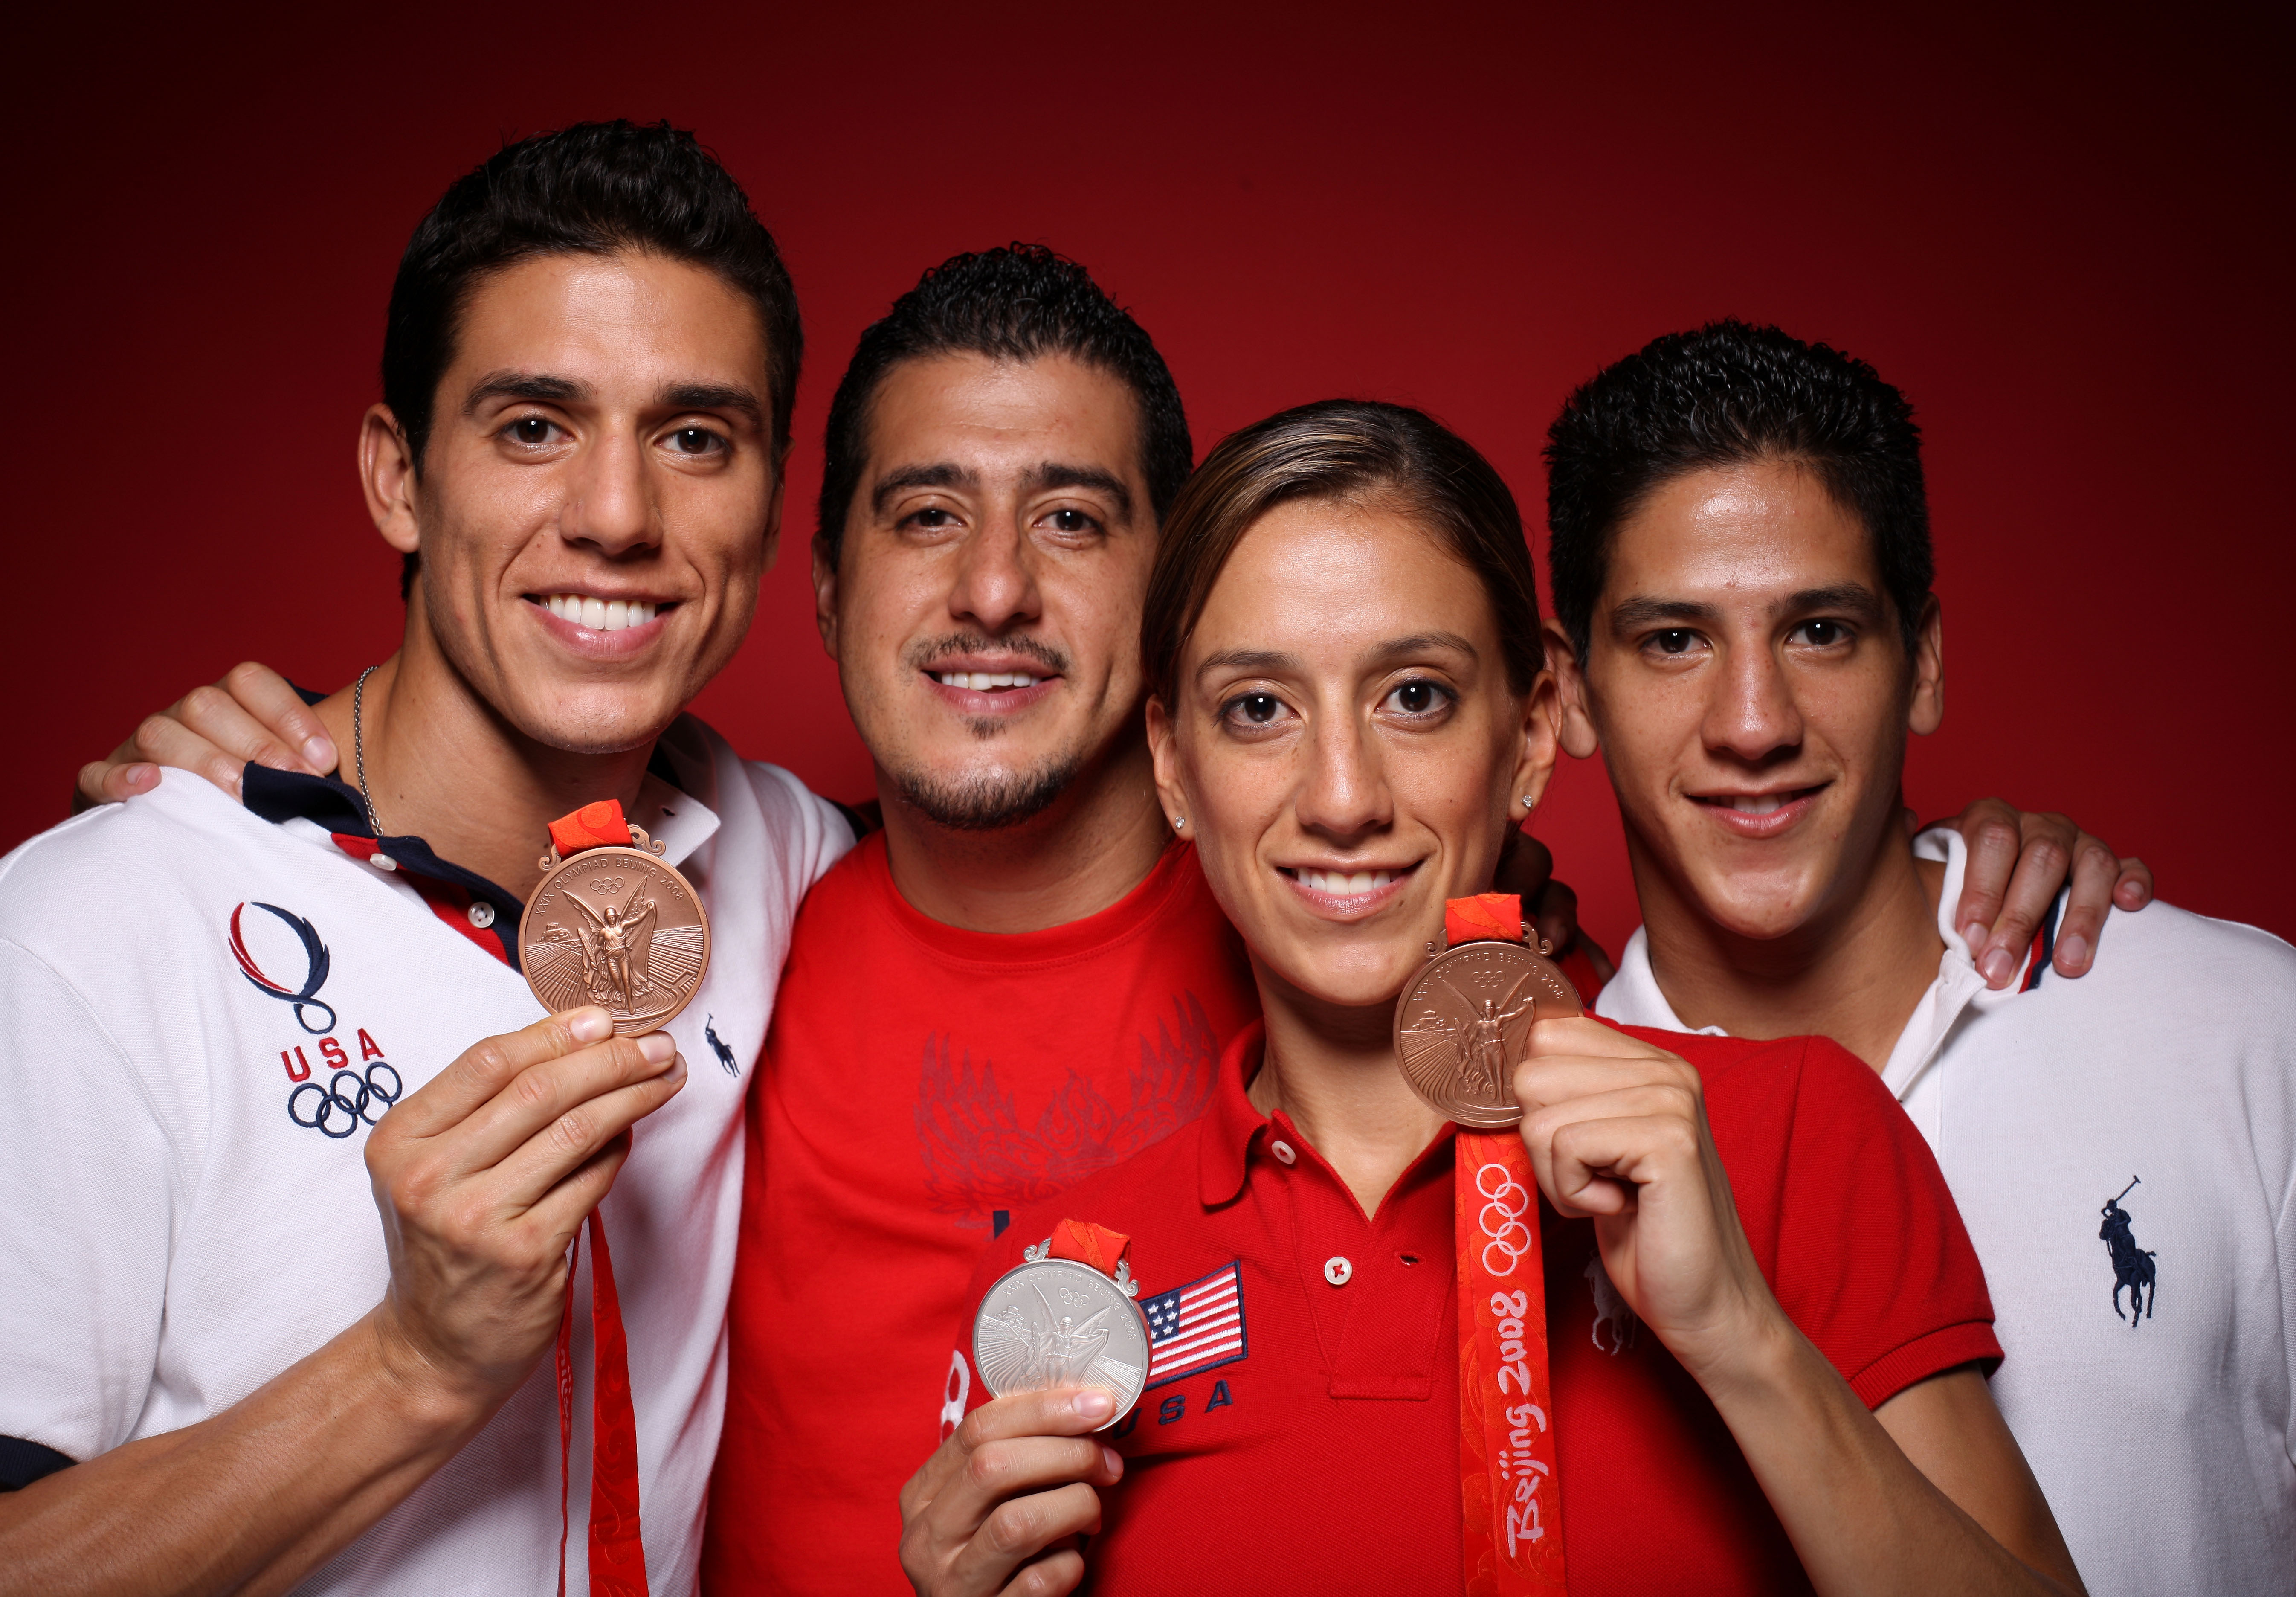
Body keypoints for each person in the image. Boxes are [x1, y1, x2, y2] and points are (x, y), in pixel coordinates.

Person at [78, 255, 2139, 1594]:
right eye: (923, 516)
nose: (990, 587)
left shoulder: (1634, 1076)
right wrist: (276, 794)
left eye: (1069, 517)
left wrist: (1949, 873)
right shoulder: (746, 893)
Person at [902, 399, 2083, 1596]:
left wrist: (1740, 1339)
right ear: (1171, 764)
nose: (1343, 796)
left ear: (1528, 735)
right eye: (1259, 708)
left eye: (1414, 696)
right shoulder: (1062, 1283)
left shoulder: (1787, 1133)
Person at [0, 122, 853, 1596]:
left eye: (696, 438)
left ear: (773, 511)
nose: (616, 516)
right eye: (535, 426)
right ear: (399, 478)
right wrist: (413, 1366)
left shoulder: (792, 860)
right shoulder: (91, 935)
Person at [1543, 321, 2296, 1596]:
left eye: (1820, 631)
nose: (1753, 723)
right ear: (1566, 695)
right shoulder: (1533, 1171)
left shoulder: (2241, 1030)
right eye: (1675, 640)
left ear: (1925, 661)